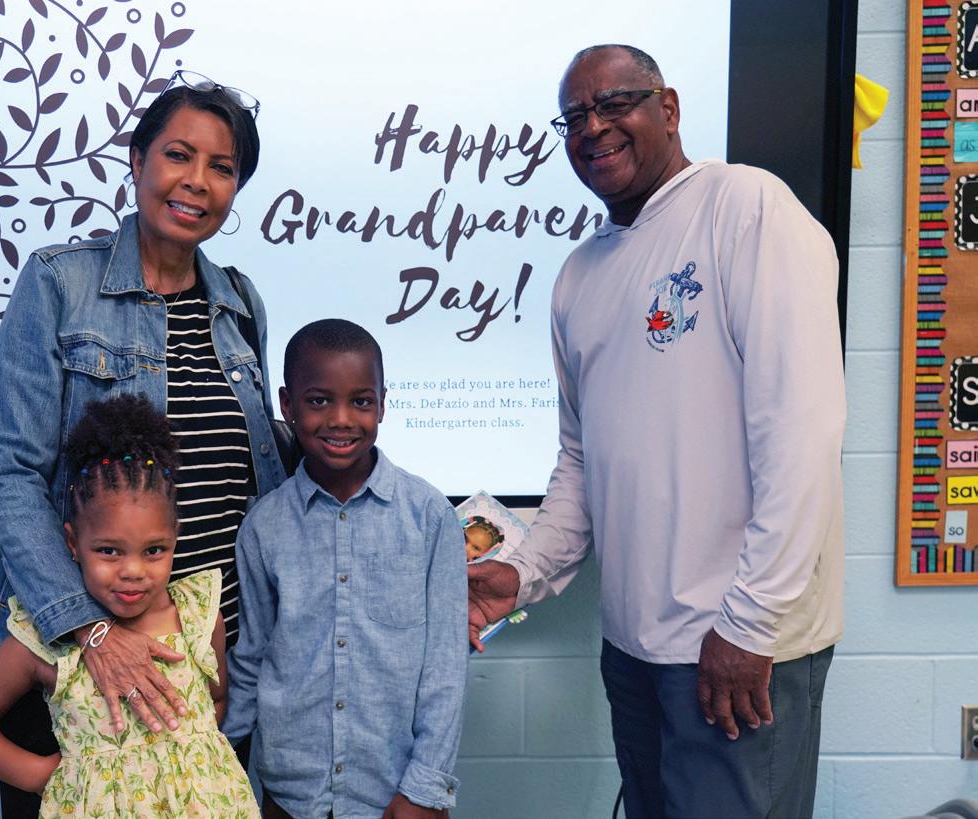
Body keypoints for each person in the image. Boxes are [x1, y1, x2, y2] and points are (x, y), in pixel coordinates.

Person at [467, 44, 845, 819]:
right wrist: (522, 572)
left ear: (667, 109)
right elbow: (582, 463)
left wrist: (749, 624)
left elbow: (800, 433)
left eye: (613, 104)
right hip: (634, 650)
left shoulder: (745, 209)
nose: (592, 128)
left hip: (738, 644)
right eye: (573, 117)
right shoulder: (579, 275)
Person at [0, 71, 287, 816]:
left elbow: (258, 471)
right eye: (178, 154)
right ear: (137, 160)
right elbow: (7, 469)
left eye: (222, 166)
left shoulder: (241, 302)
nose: (197, 180)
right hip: (77, 657)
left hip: (197, 667)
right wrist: (91, 630)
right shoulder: (59, 283)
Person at [0, 395, 259, 818]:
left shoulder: (201, 618)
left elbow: (217, 701)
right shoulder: (44, 642)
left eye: (154, 550)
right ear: (73, 544)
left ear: (175, 539)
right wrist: (38, 775)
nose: (133, 571)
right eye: (109, 551)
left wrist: (189, 752)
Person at [223, 319, 468, 819]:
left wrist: (425, 787)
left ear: (382, 404)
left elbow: (445, 670)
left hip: (395, 794)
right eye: (319, 401)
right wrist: (213, 762)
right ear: (287, 405)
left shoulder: (429, 517)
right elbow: (251, 660)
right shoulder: (264, 526)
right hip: (290, 794)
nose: (341, 419)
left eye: (360, 401)